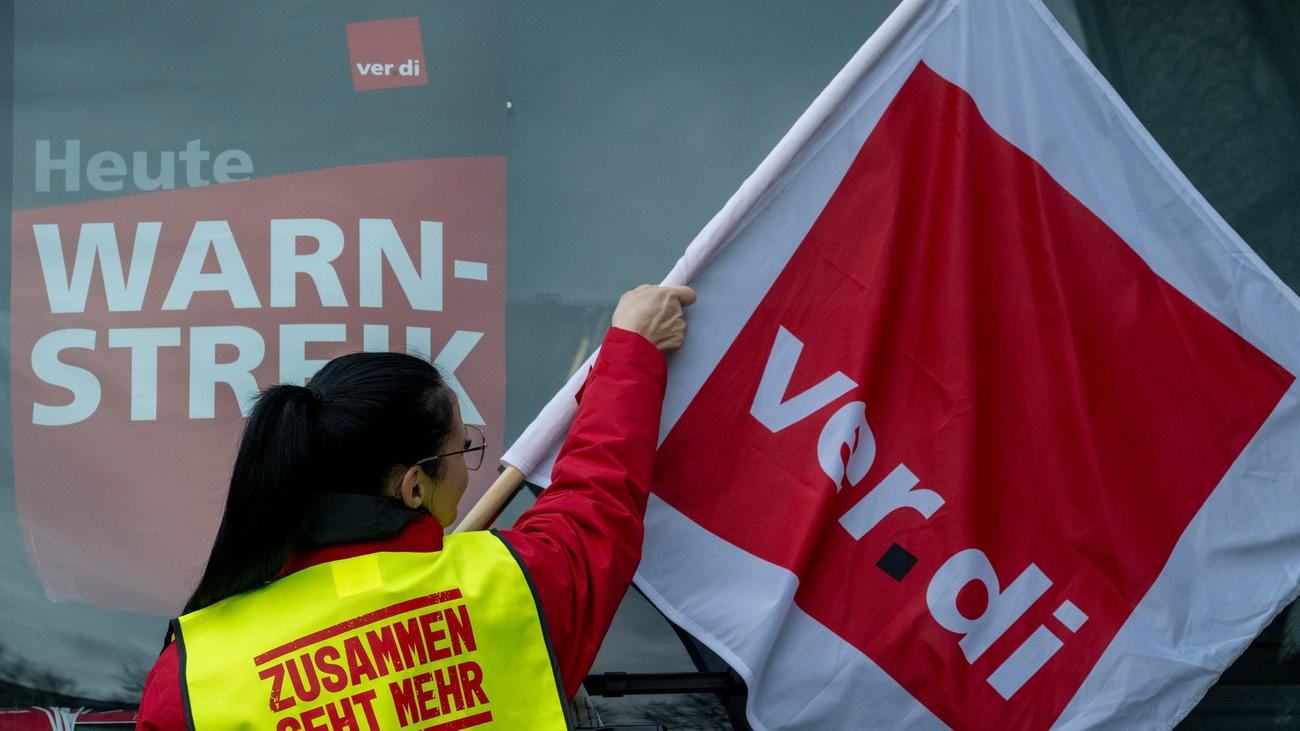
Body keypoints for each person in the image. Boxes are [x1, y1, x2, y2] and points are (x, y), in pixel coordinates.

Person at [136, 284, 696, 730]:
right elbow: (597, 496)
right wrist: (630, 351)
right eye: (462, 447)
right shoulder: (513, 587)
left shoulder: (193, 673)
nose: (467, 459)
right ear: (411, 488)